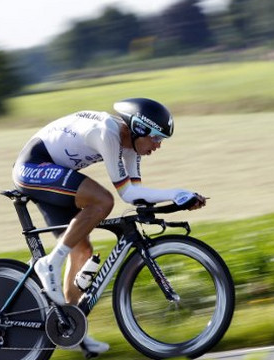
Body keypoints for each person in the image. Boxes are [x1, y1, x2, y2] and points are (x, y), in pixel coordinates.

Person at [11, 98, 206, 354]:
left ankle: (70, 329)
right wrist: (176, 192)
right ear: (139, 129)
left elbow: (137, 193)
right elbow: (126, 195)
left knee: (82, 252)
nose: (158, 146)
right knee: (103, 201)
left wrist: (179, 196)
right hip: (33, 167)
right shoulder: (107, 133)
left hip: (55, 172)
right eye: (157, 138)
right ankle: (50, 264)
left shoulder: (130, 146)